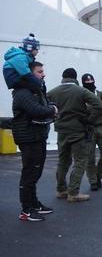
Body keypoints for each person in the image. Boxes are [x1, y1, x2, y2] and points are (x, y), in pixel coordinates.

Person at [47, 68, 102, 202]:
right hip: (78, 130)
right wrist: (89, 119)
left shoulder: (53, 92)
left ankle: (61, 190)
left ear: (63, 77)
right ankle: (73, 192)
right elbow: (99, 105)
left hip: (61, 130)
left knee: (63, 161)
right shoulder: (81, 91)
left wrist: (54, 115)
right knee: (80, 161)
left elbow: (42, 103)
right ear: (75, 78)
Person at [12, 61, 58, 221]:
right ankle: (26, 209)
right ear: (29, 74)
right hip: (29, 138)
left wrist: (51, 108)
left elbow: (44, 106)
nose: (43, 74)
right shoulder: (23, 93)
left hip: (37, 137)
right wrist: (53, 110)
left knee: (35, 172)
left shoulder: (35, 90)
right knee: (29, 174)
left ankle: (34, 204)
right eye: (39, 72)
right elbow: (37, 111)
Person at [81, 73, 102, 191]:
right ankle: (93, 181)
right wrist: (99, 108)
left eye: (91, 80)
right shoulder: (81, 95)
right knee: (90, 157)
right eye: (87, 81)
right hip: (88, 128)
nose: (90, 82)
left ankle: (98, 176)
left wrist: (93, 109)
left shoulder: (100, 94)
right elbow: (82, 110)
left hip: (101, 127)